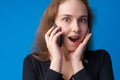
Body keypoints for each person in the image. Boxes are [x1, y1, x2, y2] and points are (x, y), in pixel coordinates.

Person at [22, 0, 114, 80]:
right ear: (52, 26)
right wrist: (56, 62)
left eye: (82, 20)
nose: (76, 28)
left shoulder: (101, 59)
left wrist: (77, 65)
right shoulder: (32, 63)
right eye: (66, 19)